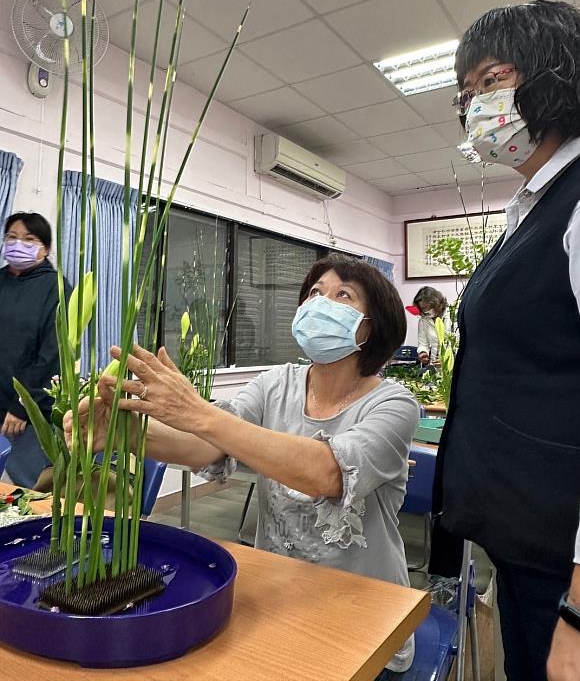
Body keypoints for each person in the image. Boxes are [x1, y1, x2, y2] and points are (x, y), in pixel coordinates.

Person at [67, 255, 420, 677]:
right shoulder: (276, 383)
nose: (320, 303)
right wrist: (126, 436)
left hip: (366, 602)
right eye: (313, 293)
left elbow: (327, 473)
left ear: (373, 324)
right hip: (280, 588)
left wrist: (198, 411)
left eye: (342, 294)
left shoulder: (394, 404)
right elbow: (208, 446)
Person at [430, 1, 580, 681]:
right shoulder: (529, 208)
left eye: (490, 80)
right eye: (466, 94)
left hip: (572, 561)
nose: (475, 105)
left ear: (558, 73)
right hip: (530, 546)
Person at [0, 212, 64, 488]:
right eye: (11, 237)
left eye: (29, 239)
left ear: (45, 248)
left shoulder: (57, 289)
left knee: (30, 490)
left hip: (25, 414)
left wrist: (23, 406)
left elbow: (53, 356)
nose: (18, 244)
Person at [406, 286, 448, 365]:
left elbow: (458, 344)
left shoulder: (451, 316)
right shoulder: (423, 320)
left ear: (437, 303)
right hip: (434, 363)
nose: (425, 311)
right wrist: (423, 353)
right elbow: (423, 343)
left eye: (427, 307)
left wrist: (447, 359)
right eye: (422, 308)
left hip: (453, 364)